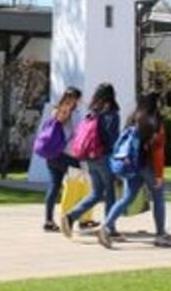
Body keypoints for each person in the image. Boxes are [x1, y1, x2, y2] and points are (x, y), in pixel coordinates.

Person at [99, 93, 171, 248]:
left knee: (126, 198)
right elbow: (158, 151)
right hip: (149, 166)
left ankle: (106, 227)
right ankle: (160, 235)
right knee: (158, 198)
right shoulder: (155, 121)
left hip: (132, 165)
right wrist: (159, 175)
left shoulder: (132, 118)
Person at [59, 83, 120, 238]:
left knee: (96, 193)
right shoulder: (112, 114)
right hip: (104, 157)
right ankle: (109, 228)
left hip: (90, 157)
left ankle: (70, 216)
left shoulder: (92, 113)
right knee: (110, 193)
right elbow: (112, 139)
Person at [35, 87, 83, 231]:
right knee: (80, 184)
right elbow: (67, 125)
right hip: (65, 155)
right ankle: (75, 218)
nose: (79, 101)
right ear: (74, 98)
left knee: (55, 186)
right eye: (78, 98)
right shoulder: (65, 110)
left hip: (53, 155)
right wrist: (68, 109)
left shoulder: (56, 109)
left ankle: (49, 221)